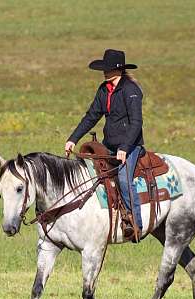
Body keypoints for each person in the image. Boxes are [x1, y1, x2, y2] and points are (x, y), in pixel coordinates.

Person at [65, 49, 145, 241]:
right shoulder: (104, 89)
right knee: (88, 170)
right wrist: (73, 139)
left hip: (131, 146)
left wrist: (125, 148)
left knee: (125, 179)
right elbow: (91, 116)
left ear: (118, 70)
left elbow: (136, 123)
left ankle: (136, 223)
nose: (104, 72)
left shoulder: (131, 91)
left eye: (108, 69)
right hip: (109, 144)